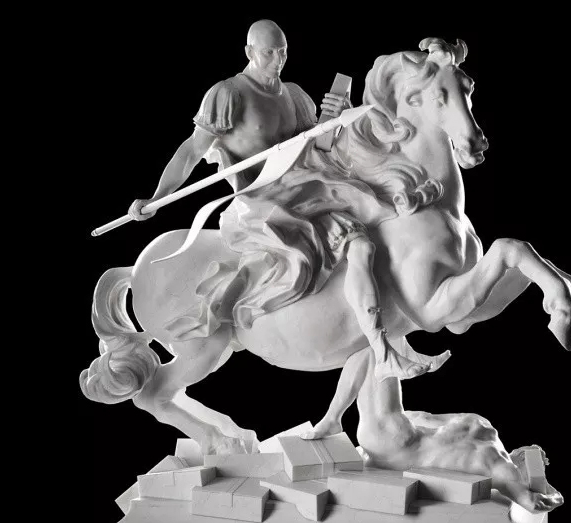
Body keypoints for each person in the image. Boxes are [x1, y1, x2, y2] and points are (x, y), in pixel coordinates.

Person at [127, 19, 438, 381]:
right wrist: (158, 197)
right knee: (354, 244)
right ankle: (380, 348)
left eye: (283, 52)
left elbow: (319, 146)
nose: (278, 60)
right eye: (268, 53)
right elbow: (190, 153)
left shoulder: (294, 94)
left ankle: (386, 341)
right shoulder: (228, 95)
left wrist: (337, 117)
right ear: (249, 52)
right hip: (261, 202)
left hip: (305, 187)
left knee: (374, 224)